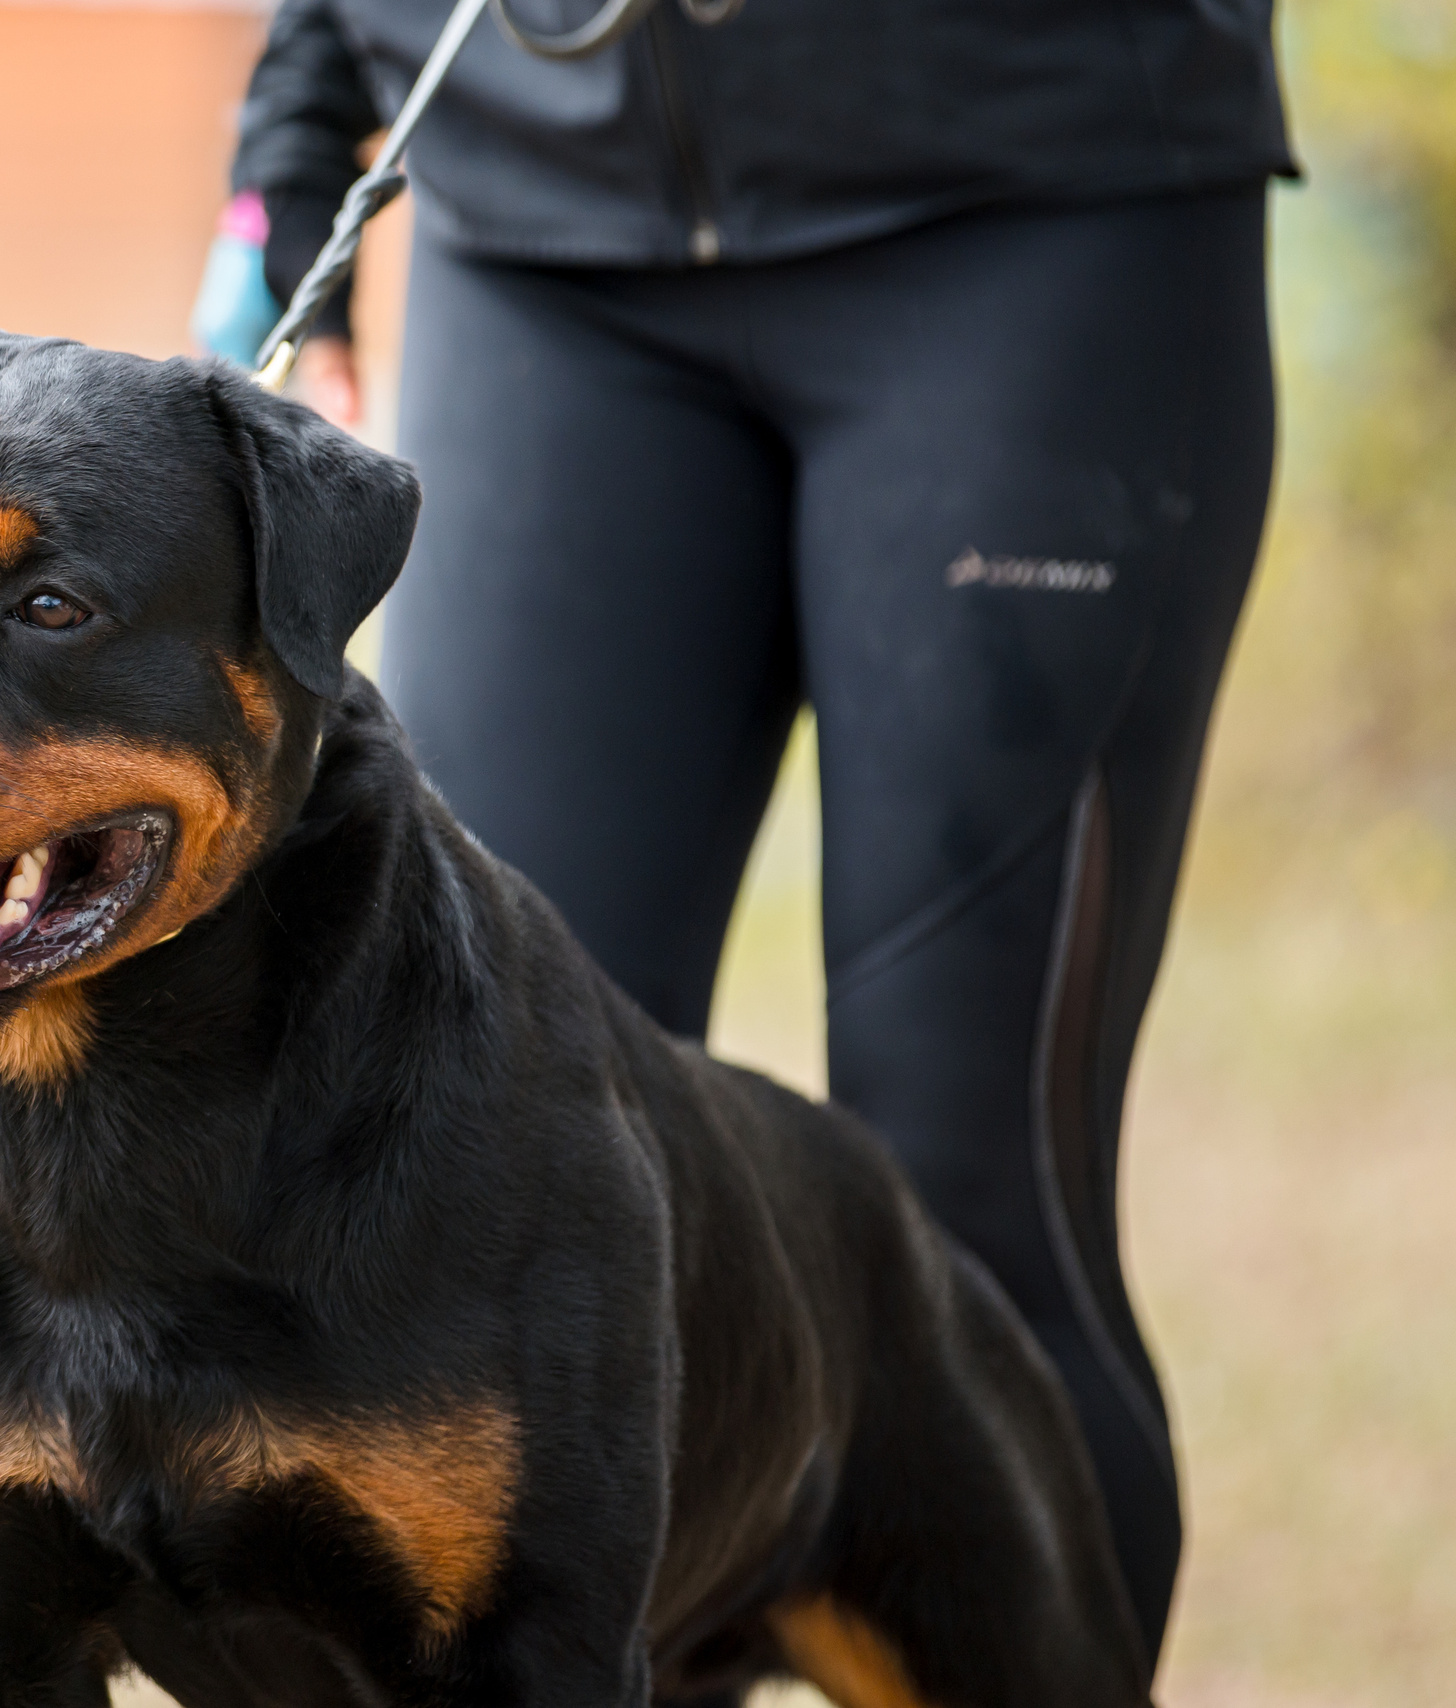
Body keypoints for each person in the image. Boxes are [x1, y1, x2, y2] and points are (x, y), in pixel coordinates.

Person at [203, 0, 1292, 1672]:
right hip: (537, 228)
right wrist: (293, 148)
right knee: (492, 1195)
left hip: (1036, 206)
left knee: (965, 1216)